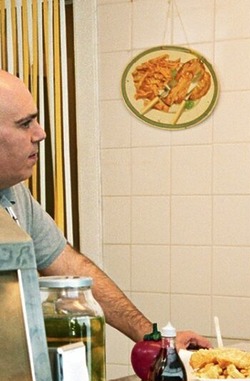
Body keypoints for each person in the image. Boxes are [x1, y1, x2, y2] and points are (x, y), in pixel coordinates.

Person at [0, 70, 208, 349]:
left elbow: (70, 267)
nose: (40, 133)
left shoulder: (14, 193)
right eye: (25, 124)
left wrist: (151, 337)